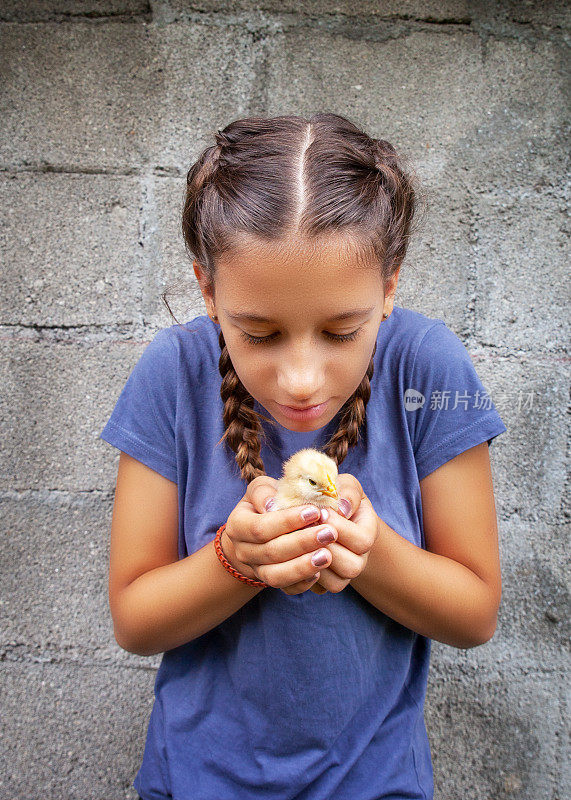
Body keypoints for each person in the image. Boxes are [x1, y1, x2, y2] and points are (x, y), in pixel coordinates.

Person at [99, 113, 507, 800]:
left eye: (340, 331)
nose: (300, 378)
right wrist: (236, 561)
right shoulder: (171, 374)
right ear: (207, 290)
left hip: (376, 784)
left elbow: (474, 612)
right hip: (198, 782)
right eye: (258, 334)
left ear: (387, 287)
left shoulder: (426, 366)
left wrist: (370, 552)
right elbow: (135, 620)